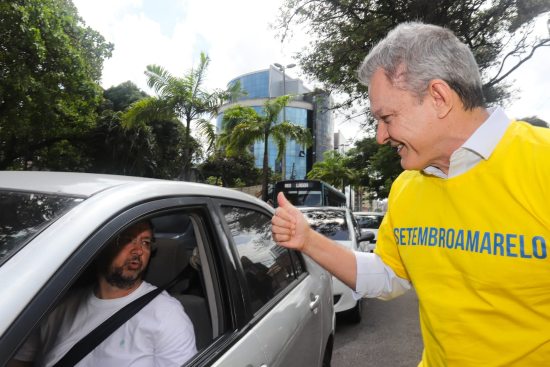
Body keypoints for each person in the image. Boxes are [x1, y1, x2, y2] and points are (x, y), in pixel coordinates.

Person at [271, 22, 550, 367]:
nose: (380, 136)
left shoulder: (543, 164)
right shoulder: (406, 187)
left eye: (386, 117)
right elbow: (389, 276)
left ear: (439, 98)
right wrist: (307, 240)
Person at [11, 220, 197, 366]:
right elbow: (19, 360)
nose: (138, 250)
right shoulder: (56, 305)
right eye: (126, 239)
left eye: (146, 242)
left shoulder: (166, 314)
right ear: (100, 246)